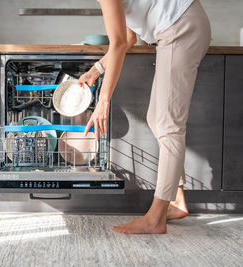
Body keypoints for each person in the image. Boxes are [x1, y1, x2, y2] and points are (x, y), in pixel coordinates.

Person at [78, 0, 211, 234]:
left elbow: (119, 43)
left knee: (168, 124)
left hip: (181, 27)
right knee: (156, 119)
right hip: (177, 26)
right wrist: (95, 70)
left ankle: (155, 219)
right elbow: (128, 38)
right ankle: (176, 201)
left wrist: (103, 101)